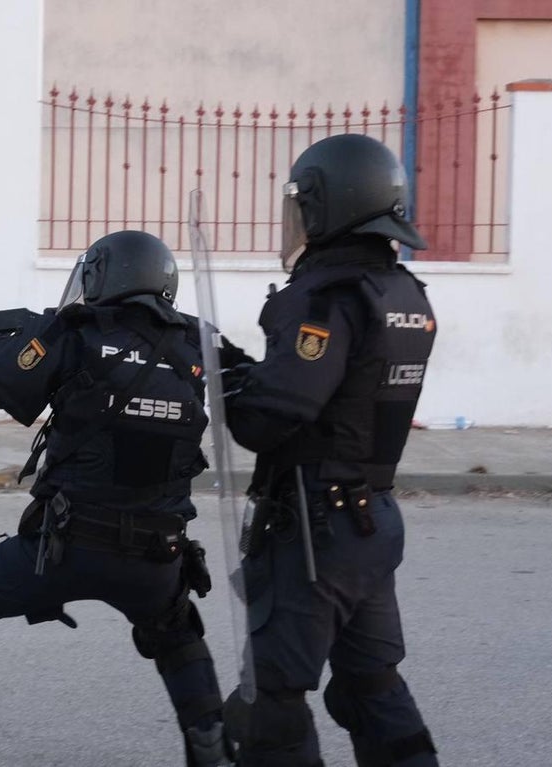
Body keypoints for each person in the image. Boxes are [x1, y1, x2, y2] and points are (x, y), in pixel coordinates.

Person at [0, 229, 232, 766]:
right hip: (157, 556)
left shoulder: (72, 332)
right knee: (175, 629)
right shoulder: (202, 344)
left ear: (100, 276)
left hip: (65, 549)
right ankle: (215, 755)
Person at [217, 133, 439, 766]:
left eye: (301, 206)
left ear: (326, 206)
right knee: (370, 688)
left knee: (269, 707)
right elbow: (338, 395)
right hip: (372, 519)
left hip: (317, 531)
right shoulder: (401, 294)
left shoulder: (327, 297)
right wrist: (237, 365)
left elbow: (272, 418)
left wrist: (221, 383)